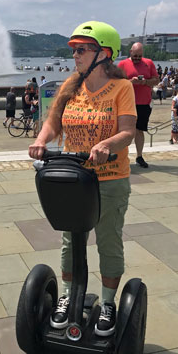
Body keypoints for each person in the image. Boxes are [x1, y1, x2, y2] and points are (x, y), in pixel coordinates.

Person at [29, 20, 136, 336]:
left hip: (110, 178)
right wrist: (40, 141)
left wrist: (106, 144)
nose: (75, 55)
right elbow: (52, 124)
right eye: (74, 49)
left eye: (82, 49)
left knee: (108, 240)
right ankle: (65, 297)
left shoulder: (122, 88)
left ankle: (107, 303)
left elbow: (128, 131)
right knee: (68, 241)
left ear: (104, 54)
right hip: (74, 177)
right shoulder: (70, 85)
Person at [118, 42, 159, 168]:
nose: (137, 58)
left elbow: (156, 80)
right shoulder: (123, 64)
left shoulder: (149, 63)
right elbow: (116, 82)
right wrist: (130, 82)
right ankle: (121, 157)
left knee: (140, 130)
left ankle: (139, 156)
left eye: (139, 56)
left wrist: (145, 82)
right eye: (135, 56)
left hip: (143, 103)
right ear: (130, 52)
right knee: (124, 131)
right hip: (127, 103)